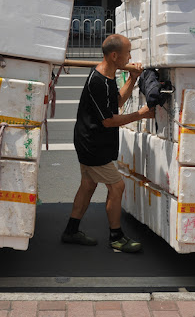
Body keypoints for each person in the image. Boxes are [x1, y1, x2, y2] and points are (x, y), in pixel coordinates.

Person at [62, 34, 155, 253]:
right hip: (92, 143)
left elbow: (116, 103)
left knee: (88, 185)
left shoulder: (109, 76)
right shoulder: (99, 81)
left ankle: (71, 231)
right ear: (114, 55)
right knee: (117, 186)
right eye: (128, 52)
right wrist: (141, 114)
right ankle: (116, 237)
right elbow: (109, 120)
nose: (131, 57)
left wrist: (132, 79)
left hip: (90, 139)